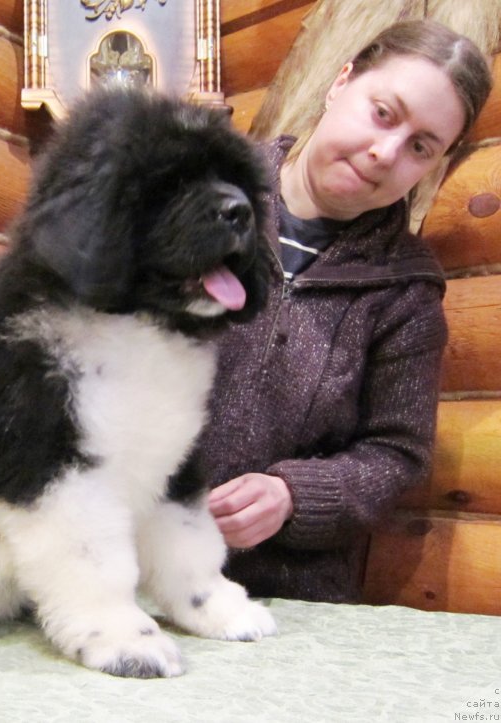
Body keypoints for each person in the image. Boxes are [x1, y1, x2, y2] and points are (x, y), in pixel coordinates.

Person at [199, 19, 493, 603]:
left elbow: (397, 453)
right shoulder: (204, 191)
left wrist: (294, 495)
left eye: (420, 147)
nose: (385, 152)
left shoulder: (406, 290)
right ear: (341, 83)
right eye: (384, 112)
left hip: (282, 598)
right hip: (119, 562)